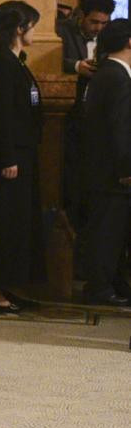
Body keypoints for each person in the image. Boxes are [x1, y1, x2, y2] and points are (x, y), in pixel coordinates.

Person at [0, 0, 44, 313]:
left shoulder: (15, 59)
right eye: (32, 25)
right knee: (2, 221)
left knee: (17, 222)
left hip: (23, 152)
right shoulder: (0, 61)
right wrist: (6, 158)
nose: (35, 32)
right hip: (10, 155)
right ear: (19, 28)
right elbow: (1, 114)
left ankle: (7, 283)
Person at [80, 19, 131, 305]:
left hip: (103, 169)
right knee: (108, 231)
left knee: (113, 230)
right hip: (111, 172)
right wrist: (127, 169)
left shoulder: (109, 73)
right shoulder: (116, 76)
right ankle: (100, 287)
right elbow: (120, 128)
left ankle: (112, 281)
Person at [61, 0, 115, 237]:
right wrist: (76, 66)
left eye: (104, 23)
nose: (99, 28)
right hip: (71, 116)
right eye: (94, 22)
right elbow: (49, 57)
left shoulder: (110, 38)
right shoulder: (63, 32)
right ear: (81, 16)